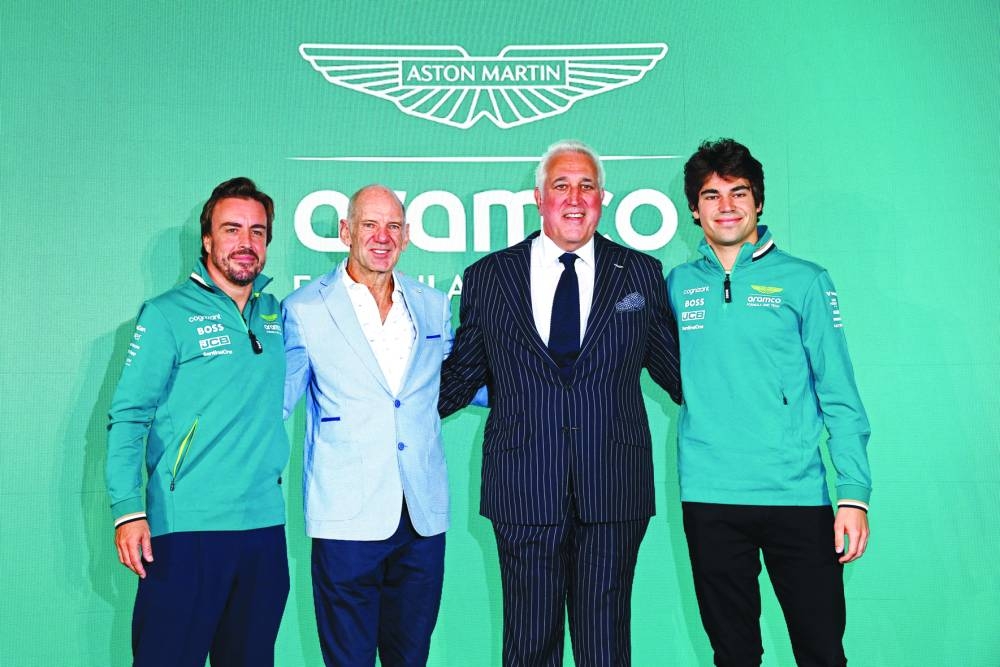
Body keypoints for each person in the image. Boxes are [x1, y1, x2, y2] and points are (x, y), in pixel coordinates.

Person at [439, 141, 682, 666]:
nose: (575, 198)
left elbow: (679, 372)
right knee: (528, 645)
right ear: (538, 198)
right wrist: (381, 404)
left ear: (604, 198)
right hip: (523, 488)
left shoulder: (640, 274)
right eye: (561, 185)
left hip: (613, 489)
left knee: (606, 646)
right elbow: (460, 376)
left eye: (587, 186)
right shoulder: (489, 277)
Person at [667, 138, 872, 667]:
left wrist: (853, 493)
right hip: (710, 497)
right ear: (694, 208)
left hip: (797, 496)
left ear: (758, 201)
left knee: (822, 653)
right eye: (711, 196)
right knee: (734, 656)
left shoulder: (805, 281)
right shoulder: (676, 285)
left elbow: (840, 395)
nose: (727, 206)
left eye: (739, 193)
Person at [106, 177, 290, 667]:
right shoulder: (166, 315)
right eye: (232, 229)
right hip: (185, 531)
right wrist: (128, 510)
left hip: (264, 532)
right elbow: (128, 417)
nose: (245, 243)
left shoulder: (276, 315)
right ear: (207, 239)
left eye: (257, 231)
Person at [283, 185, 454, 667]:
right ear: (346, 231)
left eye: (393, 226)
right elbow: (276, 399)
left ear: (407, 236)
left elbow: (458, 381)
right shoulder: (304, 309)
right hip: (345, 520)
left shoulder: (432, 304)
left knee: (411, 658)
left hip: (421, 516)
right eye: (369, 225)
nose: (382, 237)